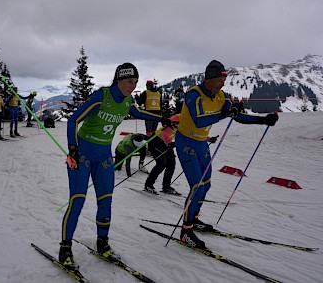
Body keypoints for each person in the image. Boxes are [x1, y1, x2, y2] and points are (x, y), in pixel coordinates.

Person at [59, 62, 173, 269]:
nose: (132, 86)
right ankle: (65, 248)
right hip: (82, 155)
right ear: (119, 80)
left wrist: (163, 118)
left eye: (135, 82)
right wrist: (72, 148)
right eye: (129, 81)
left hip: (103, 157)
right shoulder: (102, 96)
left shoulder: (127, 100)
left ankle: (102, 243)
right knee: (77, 200)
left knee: (106, 201)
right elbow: (73, 120)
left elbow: (139, 113)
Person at [176, 60, 279, 249]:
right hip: (185, 143)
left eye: (224, 81)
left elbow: (236, 116)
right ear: (210, 79)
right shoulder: (194, 94)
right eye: (220, 81)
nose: (223, 85)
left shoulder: (220, 96)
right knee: (196, 187)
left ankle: (194, 218)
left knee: (206, 185)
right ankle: (186, 230)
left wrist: (263, 120)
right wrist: (225, 114)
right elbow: (199, 120)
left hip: (201, 144)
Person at [144, 114, 181, 195]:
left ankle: (166, 186)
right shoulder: (171, 124)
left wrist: (207, 139)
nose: (179, 126)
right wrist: (169, 143)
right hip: (156, 142)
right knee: (161, 164)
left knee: (171, 164)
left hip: (166, 144)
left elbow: (191, 134)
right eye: (178, 124)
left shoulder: (183, 124)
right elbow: (165, 133)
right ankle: (148, 184)